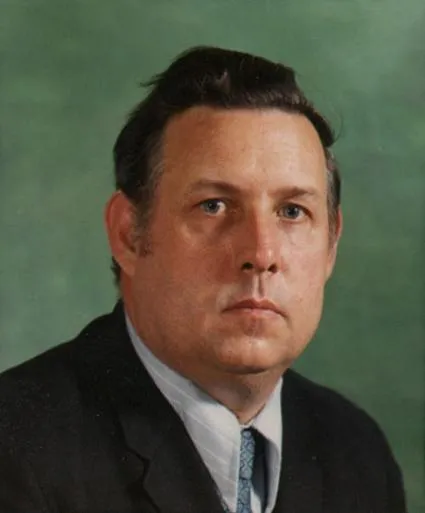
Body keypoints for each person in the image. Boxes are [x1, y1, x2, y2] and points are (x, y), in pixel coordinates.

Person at [0, 46, 406, 513]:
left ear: (331, 245)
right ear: (129, 234)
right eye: (214, 206)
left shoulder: (357, 455)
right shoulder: (17, 450)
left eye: (293, 212)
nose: (261, 254)